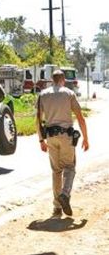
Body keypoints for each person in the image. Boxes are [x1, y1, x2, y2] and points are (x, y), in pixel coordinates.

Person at [36, 68, 89, 218]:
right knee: (70, 168)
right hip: (66, 136)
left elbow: (38, 119)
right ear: (63, 80)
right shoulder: (68, 93)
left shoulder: (43, 94)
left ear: (52, 80)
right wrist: (85, 138)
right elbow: (80, 117)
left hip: (50, 137)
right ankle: (65, 194)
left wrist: (41, 140)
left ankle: (57, 207)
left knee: (56, 171)